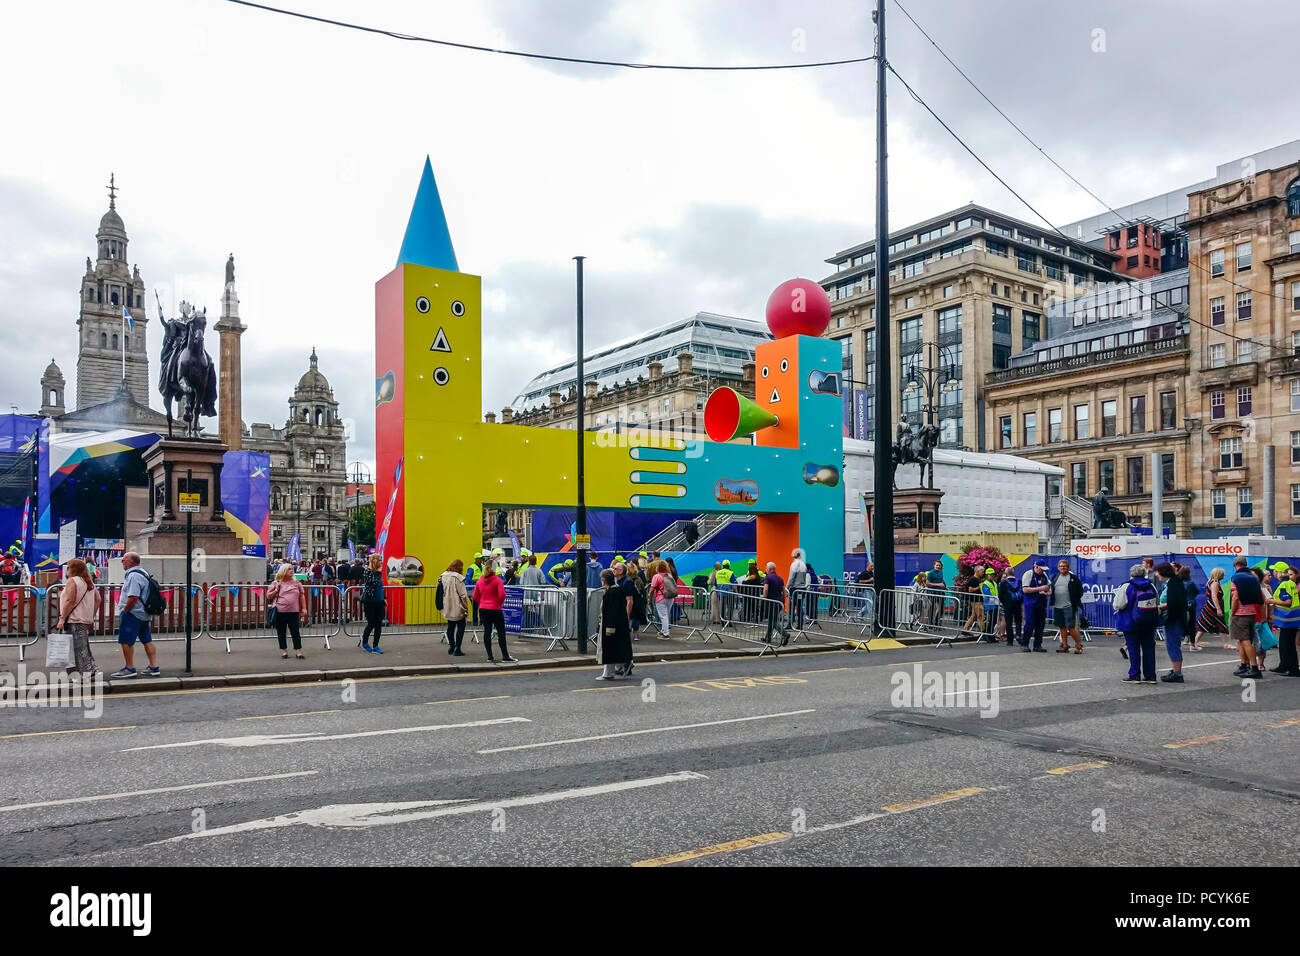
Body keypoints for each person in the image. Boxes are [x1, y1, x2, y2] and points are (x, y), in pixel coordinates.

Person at [112, 551, 160, 678]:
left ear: (130, 562)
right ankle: (154, 667)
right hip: (143, 613)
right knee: (147, 640)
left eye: (124, 559)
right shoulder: (143, 572)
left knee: (126, 641)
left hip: (133, 613)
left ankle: (129, 668)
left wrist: (125, 610)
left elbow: (133, 597)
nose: (122, 562)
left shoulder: (133, 576)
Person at [1114, 564, 1159, 684]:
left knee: (1133, 649)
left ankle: (1134, 675)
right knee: (1149, 648)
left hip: (1130, 622)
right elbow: (1157, 601)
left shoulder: (1127, 586)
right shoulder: (1151, 585)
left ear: (1131, 573)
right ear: (1144, 573)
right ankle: (1150, 676)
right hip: (1149, 621)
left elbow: (1118, 604)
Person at [55, 558, 101, 675]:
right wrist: (91, 614)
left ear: (73, 569)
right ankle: (89, 669)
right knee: (83, 646)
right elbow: (98, 600)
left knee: (76, 649)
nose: (67, 570)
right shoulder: (89, 582)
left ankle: (84, 672)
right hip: (84, 619)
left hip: (74, 619)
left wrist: (62, 618)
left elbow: (70, 600)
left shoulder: (73, 581)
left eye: (68, 567)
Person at [1228, 556, 1263, 680]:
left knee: (1245, 641)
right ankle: (1244, 665)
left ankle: (1254, 668)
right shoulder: (1253, 578)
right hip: (1251, 612)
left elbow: (1235, 597)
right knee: (1242, 640)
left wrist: (1232, 614)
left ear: (1235, 565)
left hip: (1240, 613)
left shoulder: (1236, 577)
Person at [474, 562, 516, 662]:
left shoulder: (479, 581)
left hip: (483, 609)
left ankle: (490, 656)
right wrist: (498, 603)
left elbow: (475, 596)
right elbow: (502, 595)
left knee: (487, 632)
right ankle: (505, 656)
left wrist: (482, 602)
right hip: (495, 608)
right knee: (501, 632)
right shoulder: (498, 581)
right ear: (495, 569)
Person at [597, 569, 634, 680]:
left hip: (611, 624)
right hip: (619, 624)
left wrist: (609, 628)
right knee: (617, 646)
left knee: (609, 648)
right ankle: (623, 664)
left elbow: (612, 612)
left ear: (604, 581)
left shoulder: (611, 593)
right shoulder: (617, 590)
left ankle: (608, 673)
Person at [267, 563, 308, 659]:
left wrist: (304, 608)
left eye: (292, 569)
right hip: (279, 611)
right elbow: (268, 596)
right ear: (283, 571)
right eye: (289, 569)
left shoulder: (297, 583)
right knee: (281, 632)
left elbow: (302, 595)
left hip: (293, 611)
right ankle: (284, 651)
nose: (292, 571)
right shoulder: (276, 582)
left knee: (295, 632)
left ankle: (298, 652)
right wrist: (276, 590)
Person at [1153, 562, 1186, 683]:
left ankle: (1177, 672)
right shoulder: (1175, 582)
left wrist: (1161, 607)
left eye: (1157, 572)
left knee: (1172, 645)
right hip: (1177, 618)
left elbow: (1174, 603)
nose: (1156, 574)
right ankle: (1176, 670)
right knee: (1173, 644)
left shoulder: (1173, 584)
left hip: (1173, 619)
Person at [1268, 564, 1300, 677]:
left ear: (1279, 572)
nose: (1273, 573)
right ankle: (1284, 666)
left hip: (1288, 619)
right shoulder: (1291, 583)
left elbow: (1287, 602)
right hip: (1293, 619)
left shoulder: (1284, 584)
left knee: (1287, 645)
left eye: (1275, 571)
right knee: (1286, 644)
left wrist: (1269, 601)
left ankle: (1293, 669)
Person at [1050, 558, 1085, 653]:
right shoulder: (1055, 577)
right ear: (1058, 568)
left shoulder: (1073, 578)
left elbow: (1080, 591)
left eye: (1064, 566)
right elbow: (1051, 589)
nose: (1062, 568)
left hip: (1069, 606)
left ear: (1068, 567)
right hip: (1058, 606)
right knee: (1061, 627)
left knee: (1071, 627)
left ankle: (1078, 646)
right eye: (1061, 566)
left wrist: (1074, 600)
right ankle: (1065, 645)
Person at [357, 552, 387, 653]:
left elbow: (380, 587)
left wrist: (384, 598)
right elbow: (373, 584)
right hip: (370, 601)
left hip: (379, 601)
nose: (381, 562)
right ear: (375, 561)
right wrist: (378, 572)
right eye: (380, 560)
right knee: (371, 623)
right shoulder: (367, 572)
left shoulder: (378, 572)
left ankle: (376, 645)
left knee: (378, 624)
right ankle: (365, 642)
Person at [1196, 566, 1230, 650]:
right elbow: (1214, 597)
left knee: (1204, 624)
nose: (1223, 576)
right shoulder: (1215, 583)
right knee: (1220, 624)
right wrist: (1218, 609)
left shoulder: (1210, 582)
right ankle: (1226, 644)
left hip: (1209, 606)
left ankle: (1195, 642)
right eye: (1222, 574)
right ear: (1218, 575)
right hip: (1213, 607)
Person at [440, 559, 470, 656]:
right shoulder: (458, 578)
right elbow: (463, 595)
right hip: (458, 605)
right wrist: (466, 607)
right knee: (461, 627)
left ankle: (452, 646)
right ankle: (458, 648)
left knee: (450, 626)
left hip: (447, 604)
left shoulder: (443, 576)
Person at [1020, 560, 1051, 652]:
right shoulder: (1028, 574)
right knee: (1030, 624)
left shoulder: (1044, 575)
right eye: (1041, 569)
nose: (1043, 571)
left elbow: (1049, 585)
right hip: (1030, 604)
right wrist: (1040, 588)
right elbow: (1025, 589)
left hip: (1041, 603)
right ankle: (1025, 643)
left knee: (1040, 625)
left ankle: (1038, 644)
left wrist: (1049, 591)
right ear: (1036, 567)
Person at [762, 561, 792, 646]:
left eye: (766, 568)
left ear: (770, 569)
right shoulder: (780, 578)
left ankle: (785, 634)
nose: (766, 570)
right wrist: (782, 601)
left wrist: (764, 598)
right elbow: (784, 591)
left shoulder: (768, 578)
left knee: (773, 621)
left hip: (771, 602)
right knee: (771, 620)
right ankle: (767, 638)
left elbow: (766, 589)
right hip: (779, 602)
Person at [1179, 566, 1203, 651]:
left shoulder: (1177, 582)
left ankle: (1177, 644)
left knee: (1179, 624)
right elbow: (1196, 591)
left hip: (1180, 605)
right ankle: (1192, 645)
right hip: (1190, 604)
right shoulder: (1190, 582)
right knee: (1191, 625)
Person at [997, 567, 1023, 647]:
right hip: (1018, 604)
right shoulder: (1019, 582)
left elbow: (1000, 595)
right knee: (1018, 621)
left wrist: (1004, 603)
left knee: (1009, 623)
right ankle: (1018, 635)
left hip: (1008, 605)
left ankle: (1010, 640)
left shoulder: (1003, 583)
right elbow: (1023, 592)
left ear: (1006, 574)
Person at [649, 560, 674, 638]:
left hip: (660, 597)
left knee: (663, 616)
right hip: (670, 597)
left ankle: (666, 633)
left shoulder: (656, 576)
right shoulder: (669, 575)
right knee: (666, 614)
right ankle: (663, 631)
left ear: (657, 568)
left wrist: (649, 597)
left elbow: (652, 589)